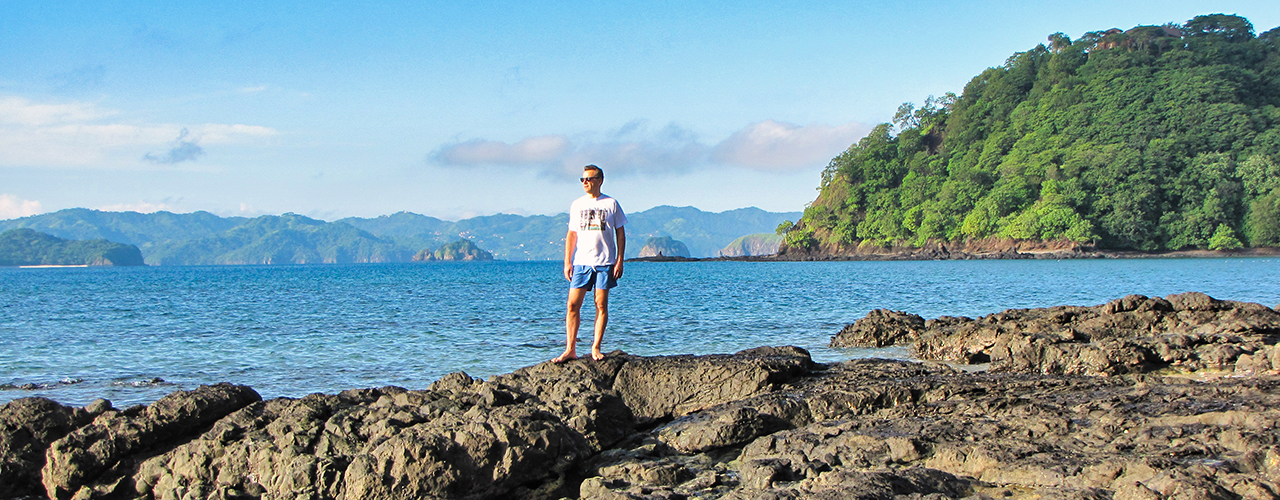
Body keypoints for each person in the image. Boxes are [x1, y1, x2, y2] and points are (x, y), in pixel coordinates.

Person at [554, 164, 627, 363]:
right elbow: (572, 234)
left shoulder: (611, 203)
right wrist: (567, 261)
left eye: (589, 178)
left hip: (605, 262)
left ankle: (596, 347)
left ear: (599, 180)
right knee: (572, 305)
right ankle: (570, 348)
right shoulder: (577, 204)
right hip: (581, 262)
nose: (585, 182)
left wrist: (620, 259)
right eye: (583, 179)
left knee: (601, 304)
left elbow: (620, 232)